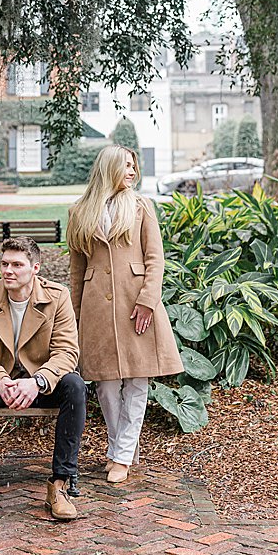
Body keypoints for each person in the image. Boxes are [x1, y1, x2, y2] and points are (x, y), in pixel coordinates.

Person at [67, 144, 182, 484]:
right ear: (108, 168)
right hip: (97, 309)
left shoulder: (141, 207)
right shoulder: (79, 211)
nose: (132, 171)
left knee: (136, 381)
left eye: (134, 166)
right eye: (126, 165)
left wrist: (148, 300)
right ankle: (118, 448)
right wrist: (74, 316)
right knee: (105, 385)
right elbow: (76, 270)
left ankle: (121, 455)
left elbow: (155, 258)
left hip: (136, 305)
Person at [0, 237, 85, 521]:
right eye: (4, 264)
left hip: (40, 383)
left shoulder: (57, 297)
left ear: (35, 268)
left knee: (74, 386)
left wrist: (37, 381)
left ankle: (59, 485)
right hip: (0, 384)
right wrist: (0, 380)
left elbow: (66, 352)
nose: (8, 271)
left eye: (17, 265)